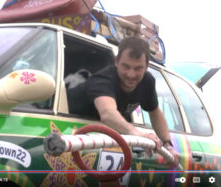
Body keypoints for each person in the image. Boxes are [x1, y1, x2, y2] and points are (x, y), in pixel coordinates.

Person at [67, 37, 180, 167]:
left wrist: (167, 145)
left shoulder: (147, 81)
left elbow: (154, 111)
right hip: (75, 134)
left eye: (138, 68)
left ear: (146, 67)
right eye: (126, 67)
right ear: (116, 61)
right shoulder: (102, 80)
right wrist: (138, 134)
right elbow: (108, 114)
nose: (131, 74)